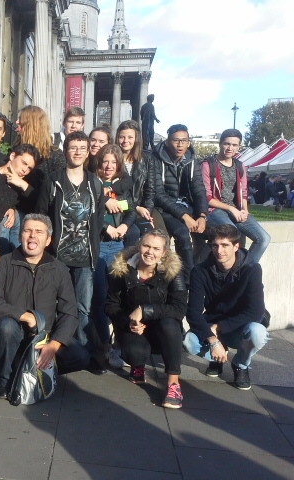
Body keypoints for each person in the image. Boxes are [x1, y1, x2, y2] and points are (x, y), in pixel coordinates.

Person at [0, 214, 90, 399]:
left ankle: (35, 369)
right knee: (7, 327)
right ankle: (6, 380)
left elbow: (69, 313)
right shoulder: (5, 263)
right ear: (20, 236)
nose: (32, 235)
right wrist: (25, 316)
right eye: (27, 230)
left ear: (48, 240)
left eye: (39, 232)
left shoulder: (59, 269)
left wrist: (54, 345)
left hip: (44, 336)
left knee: (81, 356)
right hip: (13, 334)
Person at [36, 131, 107, 373]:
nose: (77, 152)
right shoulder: (53, 181)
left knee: (83, 308)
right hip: (58, 256)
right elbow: (42, 215)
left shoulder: (95, 183)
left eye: (82, 148)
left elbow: (98, 219)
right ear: (66, 150)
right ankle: (56, 352)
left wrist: (93, 246)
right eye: (73, 147)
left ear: (88, 153)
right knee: (55, 305)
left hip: (85, 257)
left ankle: (88, 354)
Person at [106, 229, 187, 408]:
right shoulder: (122, 269)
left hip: (162, 327)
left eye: (156, 249)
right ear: (139, 246)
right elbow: (111, 306)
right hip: (133, 327)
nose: (150, 252)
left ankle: (173, 384)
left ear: (164, 253)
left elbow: (179, 309)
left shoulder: (173, 271)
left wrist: (144, 310)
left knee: (170, 325)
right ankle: (138, 365)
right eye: (146, 246)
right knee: (135, 354)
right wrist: (128, 322)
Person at [183, 224, 269, 391]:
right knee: (188, 342)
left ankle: (240, 364)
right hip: (213, 325)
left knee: (258, 332)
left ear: (236, 246)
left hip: (240, 326)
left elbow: (256, 311)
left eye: (225, 245)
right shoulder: (200, 271)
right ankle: (217, 358)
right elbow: (193, 312)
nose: (219, 250)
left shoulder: (251, 269)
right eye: (215, 245)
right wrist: (213, 340)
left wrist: (218, 326)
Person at [92, 144, 135, 369]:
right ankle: (105, 347)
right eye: (105, 161)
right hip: (98, 244)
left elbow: (131, 209)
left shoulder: (121, 185)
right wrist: (105, 227)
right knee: (99, 297)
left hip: (117, 245)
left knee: (117, 297)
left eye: (113, 162)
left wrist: (125, 226)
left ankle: (119, 345)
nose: (109, 166)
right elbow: (88, 211)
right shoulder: (92, 182)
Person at [201, 129, 271, 263]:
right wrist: (231, 208)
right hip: (214, 210)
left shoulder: (240, 165)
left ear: (239, 147)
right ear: (220, 144)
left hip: (236, 209)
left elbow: (243, 192)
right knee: (232, 233)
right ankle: (231, 269)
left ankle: (246, 269)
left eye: (234, 145)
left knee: (264, 238)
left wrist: (245, 210)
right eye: (227, 144)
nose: (230, 148)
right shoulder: (208, 164)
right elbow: (206, 197)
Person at [153, 124, 208, 281]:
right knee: (183, 235)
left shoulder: (192, 160)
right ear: (167, 142)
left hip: (188, 207)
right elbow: (158, 195)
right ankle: (188, 281)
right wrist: (184, 216)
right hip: (165, 209)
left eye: (184, 141)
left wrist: (202, 215)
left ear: (188, 143)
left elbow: (199, 190)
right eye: (176, 140)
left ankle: (196, 270)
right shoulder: (156, 160)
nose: (180, 144)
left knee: (217, 234)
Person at [0, 144, 39, 255]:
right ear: (12, 156)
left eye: (29, 168)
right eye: (24, 163)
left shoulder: (19, 187)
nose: (25, 170)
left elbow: (40, 205)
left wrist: (23, 185)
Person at [116, 120, 159, 246]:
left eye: (130, 137)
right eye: (122, 137)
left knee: (156, 234)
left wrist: (147, 212)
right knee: (133, 232)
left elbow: (150, 190)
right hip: (120, 208)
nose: (125, 141)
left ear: (136, 139)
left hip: (142, 208)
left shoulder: (146, 159)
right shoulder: (112, 159)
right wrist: (136, 208)